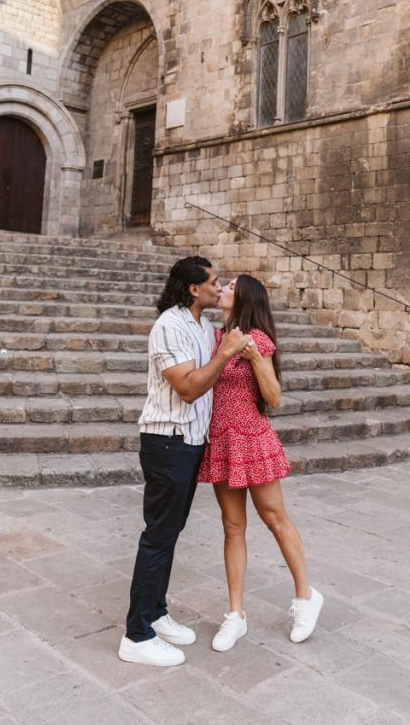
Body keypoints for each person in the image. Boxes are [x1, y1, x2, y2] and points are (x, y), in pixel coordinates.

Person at [119, 256, 250, 668]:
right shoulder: (170, 326)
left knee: (170, 532)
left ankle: (155, 614)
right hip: (167, 442)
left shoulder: (199, 326)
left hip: (190, 442)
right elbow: (189, 388)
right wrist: (226, 353)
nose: (218, 286)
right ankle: (137, 635)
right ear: (193, 289)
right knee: (158, 536)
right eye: (213, 282)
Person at [197, 274, 324, 652]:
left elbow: (273, 397)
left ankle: (306, 597)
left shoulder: (258, 340)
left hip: (251, 439)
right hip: (221, 440)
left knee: (274, 518)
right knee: (232, 526)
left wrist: (253, 358)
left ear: (246, 298)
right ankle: (235, 615)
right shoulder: (213, 338)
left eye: (231, 286)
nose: (222, 288)